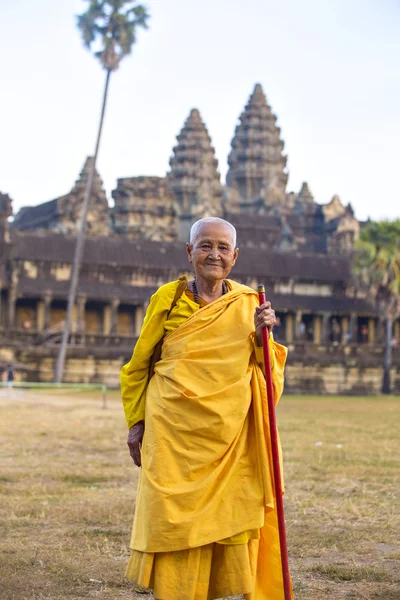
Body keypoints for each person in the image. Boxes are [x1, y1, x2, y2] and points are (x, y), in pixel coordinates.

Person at [120, 217, 291, 600]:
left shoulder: (249, 303)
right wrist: (136, 423)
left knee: (230, 512)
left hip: (231, 437)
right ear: (189, 252)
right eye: (205, 246)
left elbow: (268, 379)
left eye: (222, 248)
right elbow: (138, 366)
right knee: (172, 515)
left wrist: (266, 336)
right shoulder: (168, 298)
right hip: (172, 433)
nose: (214, 254)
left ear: (234, 256)